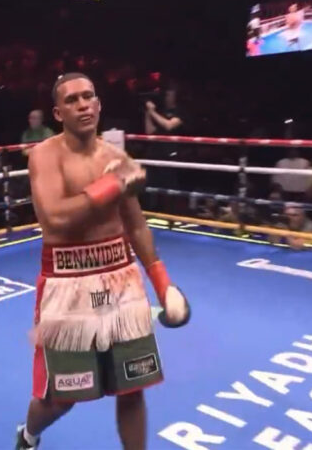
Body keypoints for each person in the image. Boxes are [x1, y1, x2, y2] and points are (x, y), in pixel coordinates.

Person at [15, 73, 190, 450]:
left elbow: (136, 225)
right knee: (62, 398)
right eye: (72, 99)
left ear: (98, 104)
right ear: (58, 113)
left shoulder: (117, 157)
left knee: (133, 387)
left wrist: (163, 283)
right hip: (67, 286)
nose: (82, 105)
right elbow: (55, 218)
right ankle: (28, 435)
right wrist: (113, 184)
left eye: (88, 97)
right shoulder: (45, 155)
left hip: (121, 281)